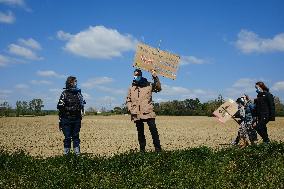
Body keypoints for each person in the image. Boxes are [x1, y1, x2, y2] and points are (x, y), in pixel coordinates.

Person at [126, 69, 162, 152]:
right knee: (140, 132)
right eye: (135, 75)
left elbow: (158, 88)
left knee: (153, 131)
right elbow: (128, 100)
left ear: (141, 75)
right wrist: (130, 109)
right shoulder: (131, 88)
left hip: (148, 111)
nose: (136, 76)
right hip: (136, 113)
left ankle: (158, 150)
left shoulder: (149, 85)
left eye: (138, 75)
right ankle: (142, 151)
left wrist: (155, 77)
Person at [57, 76, 86, 155]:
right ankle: (67, 154)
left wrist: (82, 111)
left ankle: (77, 153)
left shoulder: (79, 93)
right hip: (66, 119)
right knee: (67, 137)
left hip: (77, 119)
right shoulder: (64, 93)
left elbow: (82, 104)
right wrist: (66, 114)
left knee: (76, 136)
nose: (76, 83)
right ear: (70, 83)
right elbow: (60, 106)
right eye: (74, 81)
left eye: (76, 81)